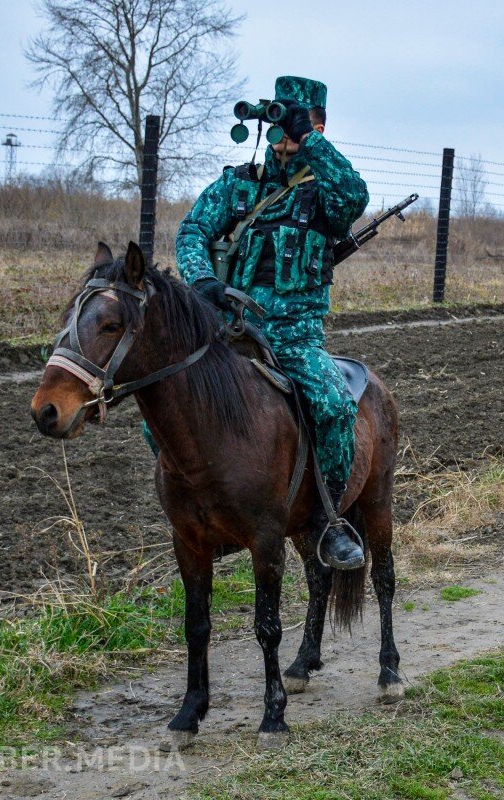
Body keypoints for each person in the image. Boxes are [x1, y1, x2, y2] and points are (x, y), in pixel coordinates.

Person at [175, 75, 370, 570]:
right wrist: (202, 283)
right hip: (231, 330)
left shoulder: (325, 193)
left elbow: (354, 197)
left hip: (295, 335)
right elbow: (192, 228)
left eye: (295, 123)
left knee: (332, 407)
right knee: (165, 410)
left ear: (318, 124)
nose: (282, 135)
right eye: (280, 123)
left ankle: (328, 521)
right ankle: (205, 516)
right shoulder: (238, 184)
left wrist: (312, 141)